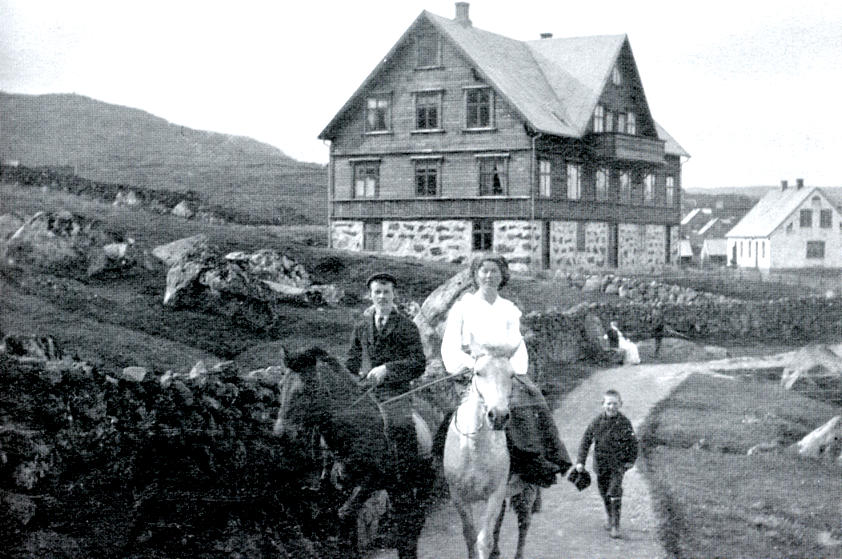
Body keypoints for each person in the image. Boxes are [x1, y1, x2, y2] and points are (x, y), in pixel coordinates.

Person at [441, 254, 571, 488]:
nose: (489, 276)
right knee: (457, 412)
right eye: (484, 271)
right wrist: (472, 366)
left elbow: (518, 347)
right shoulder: (463, 308)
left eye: (495, 271)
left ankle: (540, 460)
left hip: (503, 373)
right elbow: (450, 346)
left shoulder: (508, 309)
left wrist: (513, 371)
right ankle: (442, 464)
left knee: (530, 401)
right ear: (475, 275)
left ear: (503, 276)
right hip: (471, 372)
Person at [346, 272, 426, 465]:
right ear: (370, 295)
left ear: (394, 294)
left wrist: (388, 369)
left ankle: (407, 476)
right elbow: (351, 361)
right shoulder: (361, 326)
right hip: (365, 390)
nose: (382, 296)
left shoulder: (407, 327)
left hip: (395, 392)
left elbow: (418, 363)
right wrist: (359, 374)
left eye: (386, 292)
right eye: (377, 292)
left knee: (401, 427)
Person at [574, 389, 639, 538]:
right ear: (603, 404)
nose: (612, 407)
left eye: (615, 404)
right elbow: (585, 441)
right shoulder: (597, 422)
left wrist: (630, 460)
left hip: (618, 465)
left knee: (614, 491)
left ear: (620, 404)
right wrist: (580, 462)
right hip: (601, 465)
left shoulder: (624, 423)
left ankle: (616, 525)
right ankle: (610, 517)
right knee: (604, 492)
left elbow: (633, 443)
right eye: (609, 404)